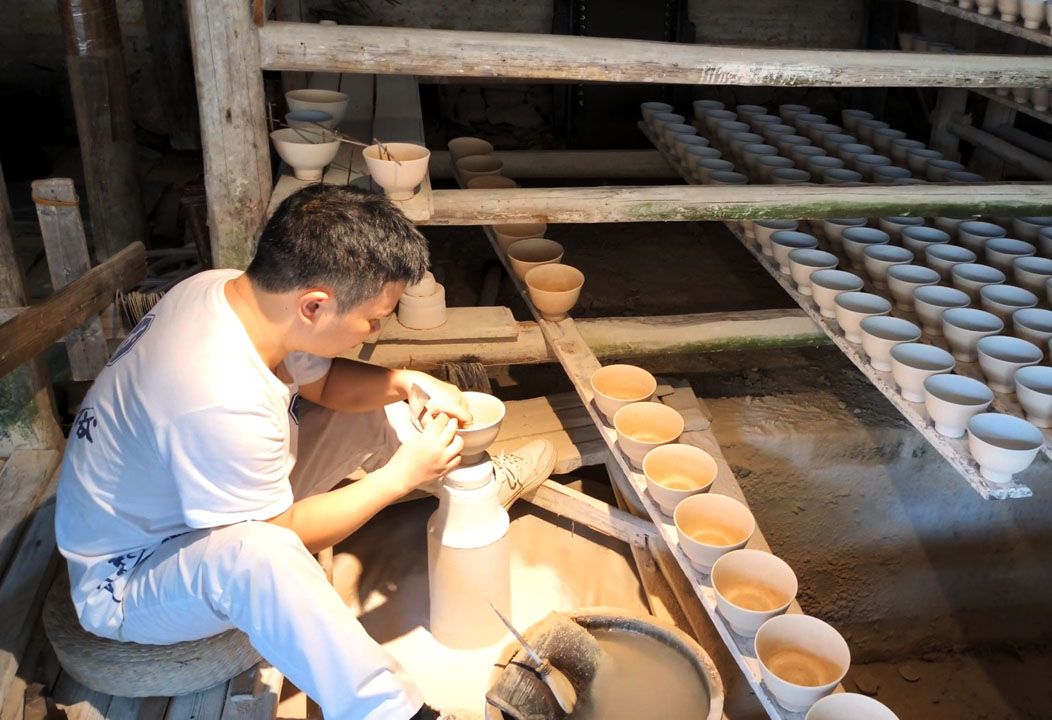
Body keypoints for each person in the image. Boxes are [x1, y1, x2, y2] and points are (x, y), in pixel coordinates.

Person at [55, 185, 556, 720]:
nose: (377, 329)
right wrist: (396, 479)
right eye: (373, 318)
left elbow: (322, 382)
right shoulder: (216, 396)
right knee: (261, 558)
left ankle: (468, 488)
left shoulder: (229, 291)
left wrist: (407, 382)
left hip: (181, 493)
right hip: (130, 574)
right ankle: (390, 711)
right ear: (315, 305)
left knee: (388, 408)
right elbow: (282, 534)